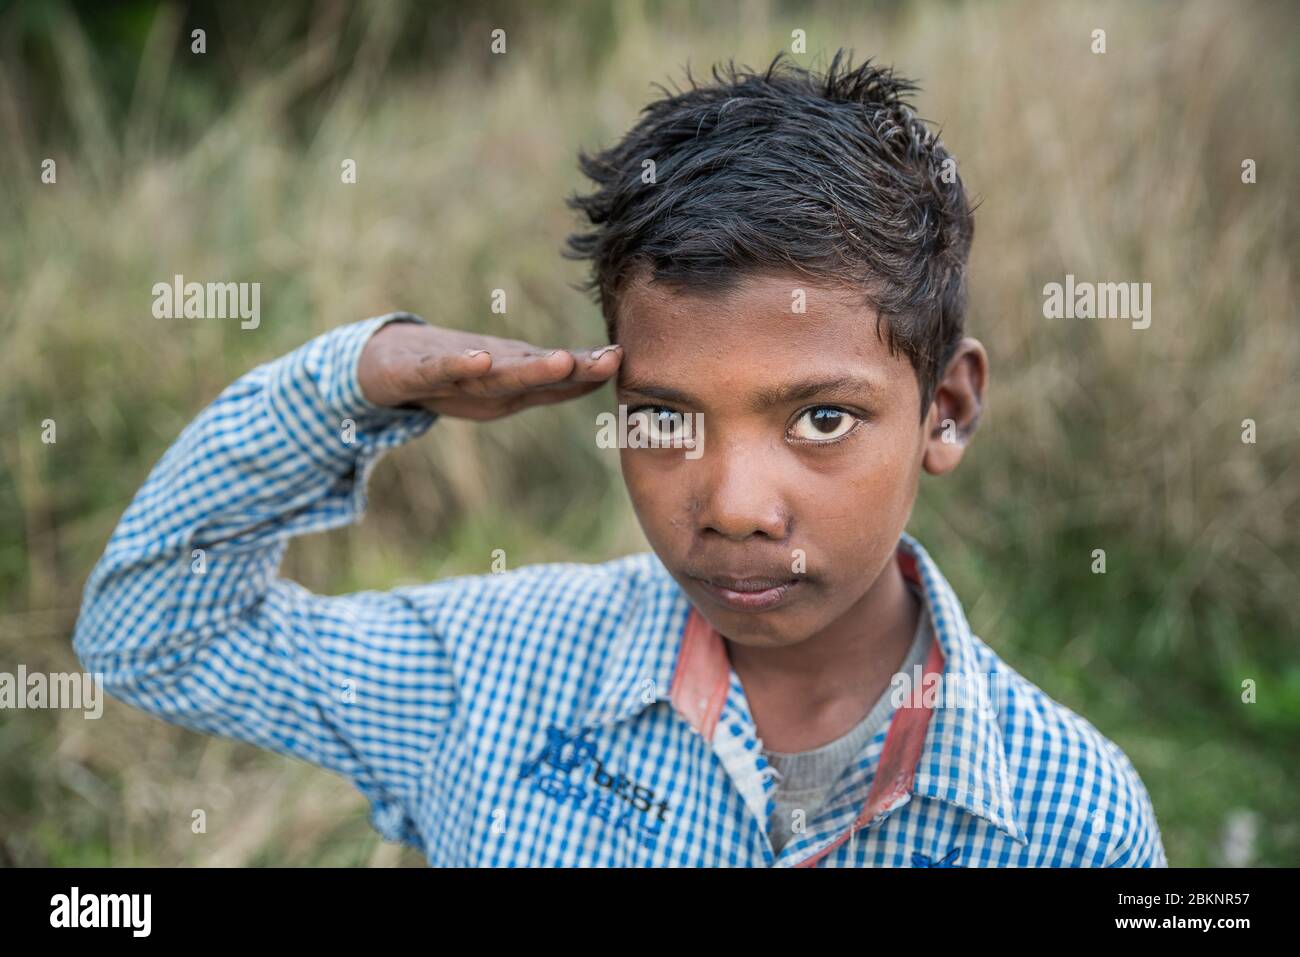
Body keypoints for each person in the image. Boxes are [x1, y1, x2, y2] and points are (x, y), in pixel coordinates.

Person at [73, 51, 1166, 866]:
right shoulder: (492, 676)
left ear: (948, 409)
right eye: (663, 420)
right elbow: (152, 634)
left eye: (821, 420)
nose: (734, 507)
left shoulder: (1066, 815)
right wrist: (359, 376)